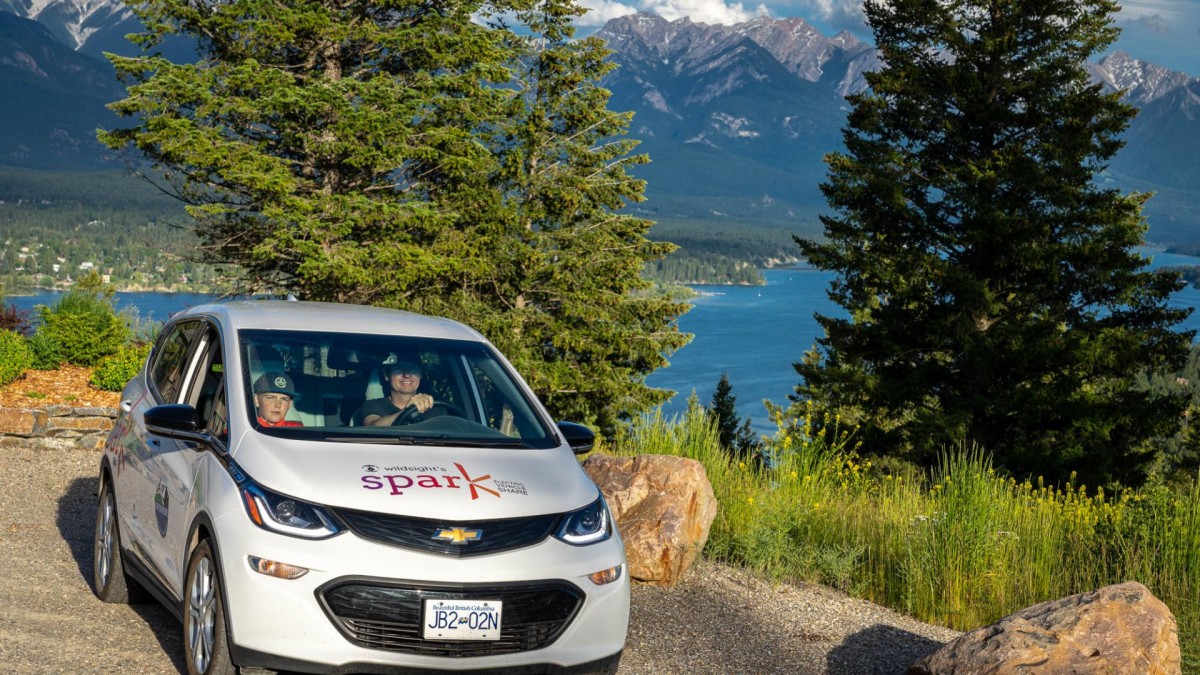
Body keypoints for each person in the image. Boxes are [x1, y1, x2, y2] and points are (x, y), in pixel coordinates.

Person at [362, 357, 435, 426]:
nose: (407, 375)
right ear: (386, 375)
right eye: (399, 369)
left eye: (412, 369)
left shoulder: (436, 408)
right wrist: (409, 410)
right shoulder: (373, 406)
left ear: (420, 374)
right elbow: (371, 426)